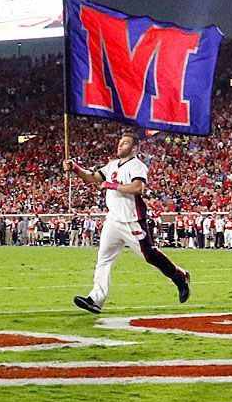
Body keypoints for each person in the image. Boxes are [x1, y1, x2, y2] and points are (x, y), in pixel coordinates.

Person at [64, 130, 190, 313]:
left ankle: (179, 276)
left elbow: (137, 187)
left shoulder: (137, 166)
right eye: (120, 142)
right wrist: (75, 168)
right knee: (103, 259)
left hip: (132, 219)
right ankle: (95, 299)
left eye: (124, 143)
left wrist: (112, 185)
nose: (120, 145)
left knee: (150, 256)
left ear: (134, 148)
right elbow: (92, 177)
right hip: (114, 219)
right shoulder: (112, 165)